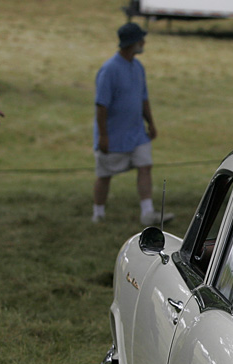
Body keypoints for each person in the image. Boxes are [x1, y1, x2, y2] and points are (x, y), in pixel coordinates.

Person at [92, 22, 173, 225]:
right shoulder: (109, 70)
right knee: (105, 175)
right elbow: (101, 106)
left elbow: (143, 98)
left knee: (145, 166)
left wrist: (151, 124)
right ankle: (98, 213)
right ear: (131, 43)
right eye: (140, 39)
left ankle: (147, 213)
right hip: (113, 134)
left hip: (136, 132)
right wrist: (103, 135)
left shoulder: (138, 67)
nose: (143, 43)